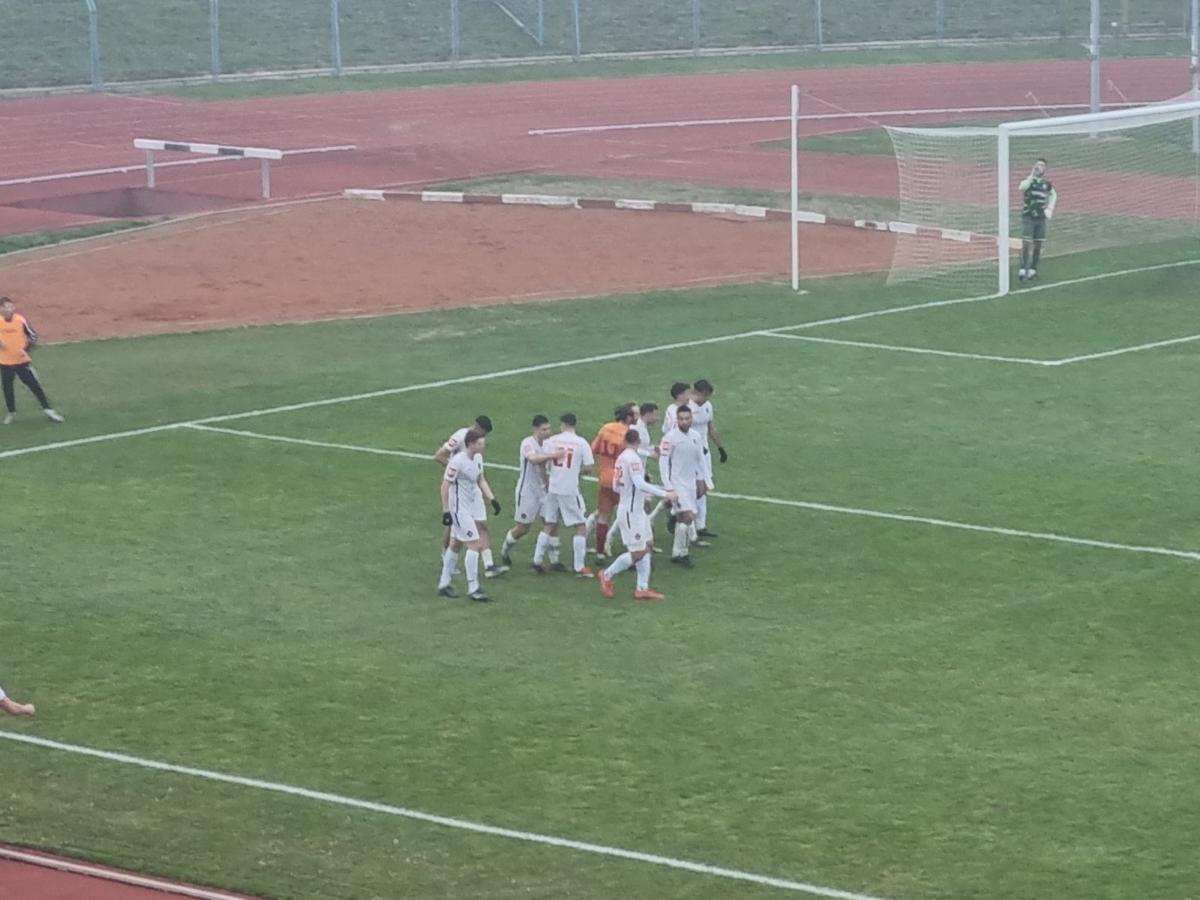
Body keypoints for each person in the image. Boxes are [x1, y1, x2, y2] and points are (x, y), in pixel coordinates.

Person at [598, 430, 677, 601]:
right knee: (638, 551)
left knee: (648, 544)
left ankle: (642, 588)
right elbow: (640, 483)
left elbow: (616, 486)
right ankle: (607, 575)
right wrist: (665, 494)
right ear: (638, 441)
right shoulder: (633, 459)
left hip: (636, 510)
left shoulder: (621, 458)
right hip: (631, 512)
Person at [434, 415, 506, 577]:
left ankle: (489, 565)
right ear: (477, 427)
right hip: (457, 489)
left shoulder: (477, 451)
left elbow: (480, 477)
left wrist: (491, 498)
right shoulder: (460, 436)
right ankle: (446, 558)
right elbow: (439, 455)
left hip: (473, 488)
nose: (483, 439)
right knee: (453, 527)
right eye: (482, 433)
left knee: (481, 524)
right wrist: (458, 471)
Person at [438, 428, 499, 602]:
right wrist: (446, 511)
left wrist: (492, 499)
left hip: (469, 508)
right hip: (459, 510)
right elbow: (445, 486)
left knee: (456, 544)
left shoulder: (477, 458)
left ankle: (444, 584)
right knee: (475, 543)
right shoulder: (457, 461)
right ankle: (473, 588)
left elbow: (480, 479)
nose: (483, 447)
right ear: (470, 444)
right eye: (479, 444)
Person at [532, 413, 595, 577]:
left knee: (549, 523)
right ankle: (579, 567)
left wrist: (547, 479)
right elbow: (589, 467)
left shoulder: (551, 441)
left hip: (553, 487)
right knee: (580, 525)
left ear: (563, 425)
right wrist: (577, 472)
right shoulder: (581, 443)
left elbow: (543, 461)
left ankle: (537, 559)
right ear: (574, 424)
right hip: (569, 489)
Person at [499, 415, 564, 567]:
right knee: (523, 528)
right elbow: (534, 459)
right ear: (535, 429)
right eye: (543, 429)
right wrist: (553, 455)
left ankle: (555, 561)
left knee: (551, 523)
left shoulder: (549, 443)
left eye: (548, 429)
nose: (547, 432)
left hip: (545, 491)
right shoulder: (527, 443)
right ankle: (505, 550)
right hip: (527, 492)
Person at [0, 296, 64, 426]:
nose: (9, 309)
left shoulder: (20, 320)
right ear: (1, 309)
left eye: (11, 306)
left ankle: (49, 410)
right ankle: (11, 412)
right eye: (6, 307)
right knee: (7, 388)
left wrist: (26, 349)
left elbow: (33, 335)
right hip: (5, 362)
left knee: (34, 386)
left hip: (21, 361)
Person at [659, 405, 706, 569]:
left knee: (683, 519)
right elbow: (663, 463)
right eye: (681, 419)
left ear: (691, 419)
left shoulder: (696, 436)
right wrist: (668, 486)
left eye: (687, 418)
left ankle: (676, 553)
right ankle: (683, 553)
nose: (684, 421)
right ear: (677, 420)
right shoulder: (669, 438)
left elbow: (699, 460)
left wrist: (701, 480)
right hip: (677, 483)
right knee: (688, 516)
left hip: (691, 483)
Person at [589, 403, 638, 562]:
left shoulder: (606, 428)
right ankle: (635, 549)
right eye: (635, 415)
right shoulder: (628, 434)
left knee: (603, 516)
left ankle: (599, 552)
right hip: (621, 480)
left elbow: (594, 448)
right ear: (629, 417)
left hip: (604, 477)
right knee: (632, 512)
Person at [689, 379, 728, 540]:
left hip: (704, 453)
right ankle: (677, 514)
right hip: (690, 454)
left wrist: (720, 448)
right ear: (696, 392)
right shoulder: (687, 409)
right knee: (695, 487)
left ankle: (701, 525)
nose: (706, 399)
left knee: (704, 486)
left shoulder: (707, 406)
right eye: (704, 395)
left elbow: (711, 427)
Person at [1018, 158, 1057, 283]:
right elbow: (1022, 188)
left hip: (1040, 218)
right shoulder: (1029, 181)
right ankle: (1023, 269)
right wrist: (1031, 175)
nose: (1039, 167)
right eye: (1037, 165)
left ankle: (1033, 269)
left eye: (1042, 165)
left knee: (1038, 244)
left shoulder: (1046, 183)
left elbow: (1054, 195)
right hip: (1029, 216)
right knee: (1026, 242)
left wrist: (1050, 209)